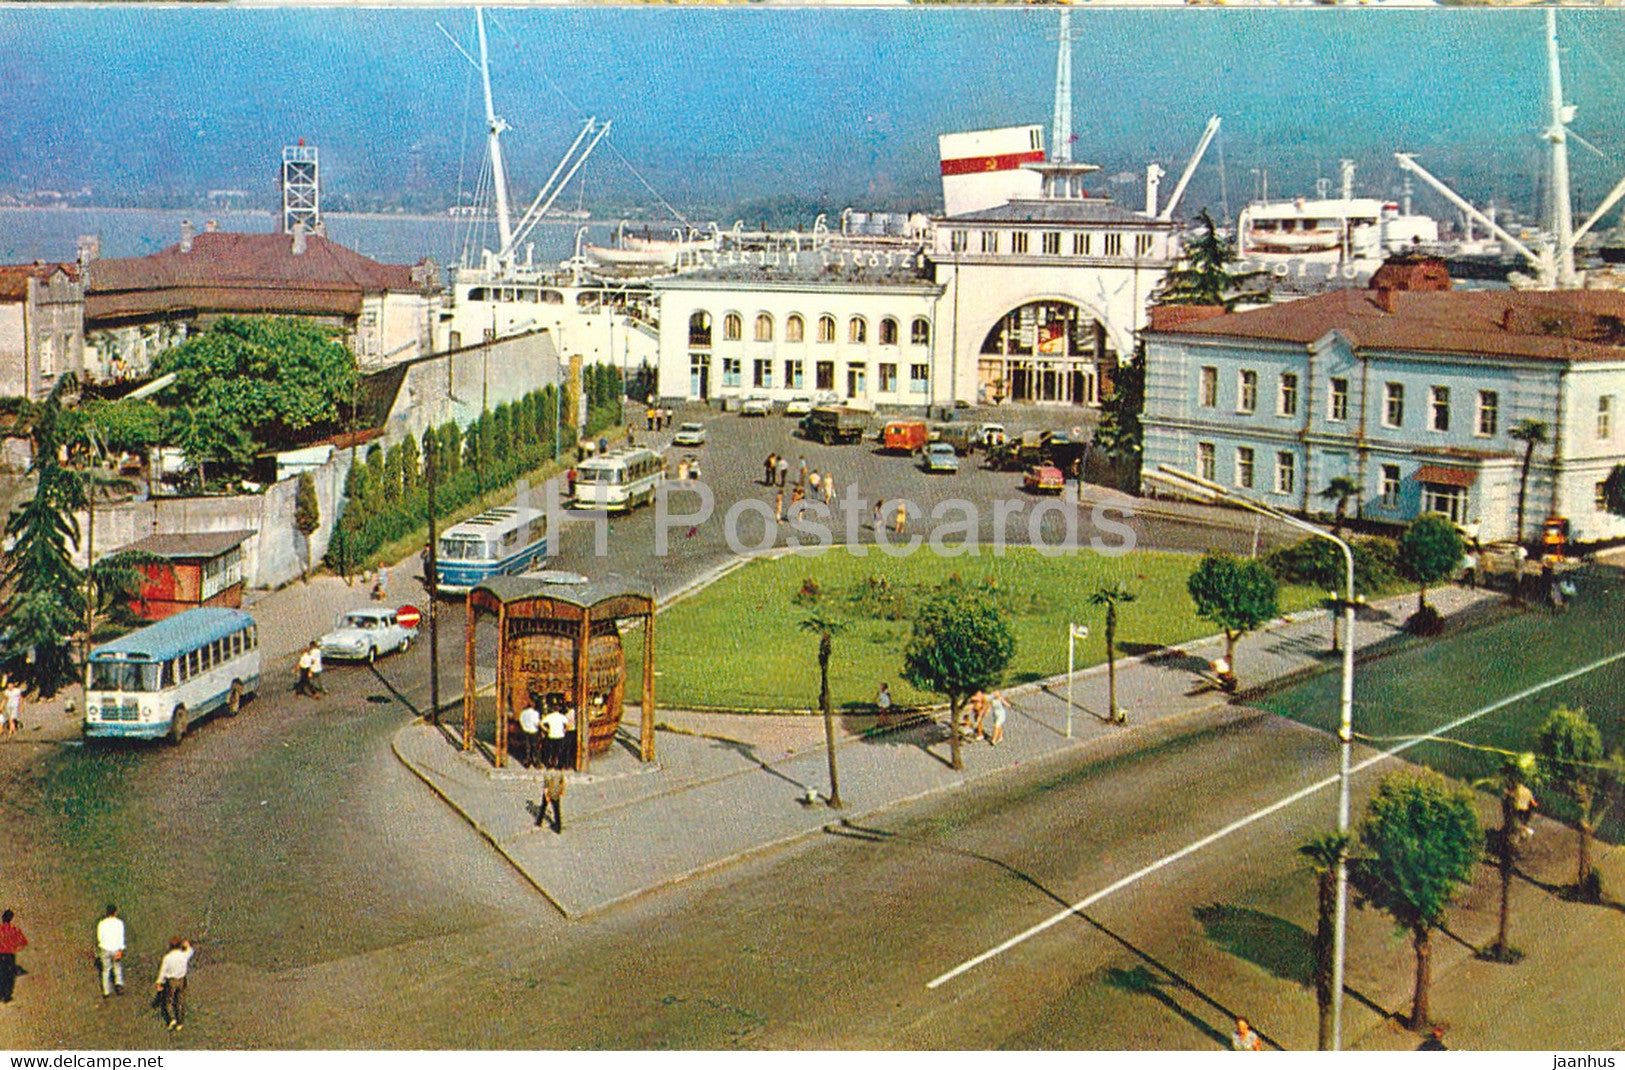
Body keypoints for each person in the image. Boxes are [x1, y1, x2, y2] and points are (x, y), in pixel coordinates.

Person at [154, 937, 194, 1031]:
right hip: (182, 980)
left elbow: (163, 971)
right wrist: (187, 945)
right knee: (180, 1000)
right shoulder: (184, 955)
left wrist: (159, 982)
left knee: (169, 1000)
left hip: (171, 981)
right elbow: (191, 951)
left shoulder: (168, 958)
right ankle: (180, 1021)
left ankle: (172, 1019)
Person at [97, 904, 126, 998]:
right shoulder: (119, 923)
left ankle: (106, 991)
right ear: (115, 912)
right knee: (117, 967)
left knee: (106, 970)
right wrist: (121, 950)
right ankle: (119, 984)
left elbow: (100, 937)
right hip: (116, 948)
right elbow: (121, 937)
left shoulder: (102, 923)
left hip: (105, 948)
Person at [0, 909, 26, 1003]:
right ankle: (7, 995)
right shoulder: (13, 929)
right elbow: (23, 942)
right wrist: (15, 948)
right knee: (9, 975)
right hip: (9, 955)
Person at [539, 703, 570, 770]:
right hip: (560, 735)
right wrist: (564, 730)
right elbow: (568, 725)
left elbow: (541, 723)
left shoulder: (549, 716)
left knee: (551, 751)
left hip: (551, 735)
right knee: (560, 751)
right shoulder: (562, 717)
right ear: (559, 710)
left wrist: (546, 730)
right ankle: (559, 765)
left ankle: (550, 765)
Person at [518, 700, 542, 768]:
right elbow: (537, 723)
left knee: (527, 746)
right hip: (533, 731)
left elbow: (521, 721)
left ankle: (527, 762)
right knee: (534, 747)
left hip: (525, 731)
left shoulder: (523, 713)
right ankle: (535, 761)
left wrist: (523, 727)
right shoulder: (535, 713)